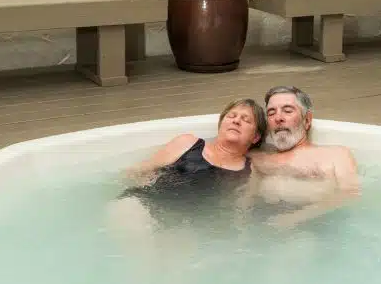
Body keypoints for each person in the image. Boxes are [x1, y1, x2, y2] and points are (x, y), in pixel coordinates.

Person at [106, 97, 266, 236]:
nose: (236, 121)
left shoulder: (250, 172)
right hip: (143, 204)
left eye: (245, 120)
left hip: (184, 224)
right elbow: (141, 170)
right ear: (221, 124)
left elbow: (241, 214)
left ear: (256, 136)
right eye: (231, 116)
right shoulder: (188, 143)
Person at [239, 85, 361, 229]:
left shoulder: (336, 154)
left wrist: (296, 218)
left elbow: (350, 194)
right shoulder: (258, 157)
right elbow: (246, 198)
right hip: (265, 223)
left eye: (288, 111)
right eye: (271, 113)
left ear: (307, 120)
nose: (278, 118)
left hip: (319, 225)